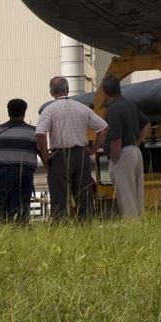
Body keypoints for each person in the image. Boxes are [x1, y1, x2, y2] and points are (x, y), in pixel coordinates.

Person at [36, 75, 107, 221]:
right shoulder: (82, 108)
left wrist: (46, 156)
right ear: (67, 89)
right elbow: (103, 128)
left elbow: (40, 133)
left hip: (59, 155)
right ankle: (85, 223)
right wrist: (93, 150)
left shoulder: (49, 110)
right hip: (81, 154)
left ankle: (60, 223)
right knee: (83, 195)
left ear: (51, 92)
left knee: (59, 195)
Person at [0, 98, 40, 223]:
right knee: (20, 209)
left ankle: (2, 230)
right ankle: (19, 229)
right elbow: (42, 151)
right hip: (23, 174)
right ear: (24, 112)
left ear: (8, 112)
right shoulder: (33, 132)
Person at [101, 74, 151, 219]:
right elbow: (146, 124)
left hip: (122, 153)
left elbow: (116, 138)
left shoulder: (113, 110)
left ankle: (131, 224)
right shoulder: (130, 104)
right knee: (137, 192)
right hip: (135, 151)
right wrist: (137, 142)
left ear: (105, 92)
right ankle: (139, 221)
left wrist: (114, 158)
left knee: (125, 194)